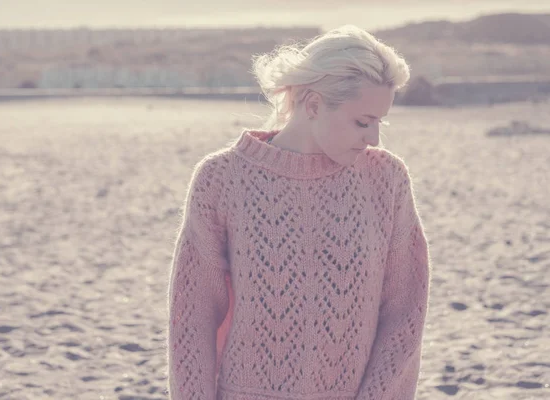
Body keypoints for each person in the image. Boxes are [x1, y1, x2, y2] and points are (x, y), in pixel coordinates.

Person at [166, 24, 432, 400]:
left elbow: (405, 315)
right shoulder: (221, 179)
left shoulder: (386, 180)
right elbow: (192, 318)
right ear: (312, 105)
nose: (373, 138)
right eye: (362, 122)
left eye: (380, 122)